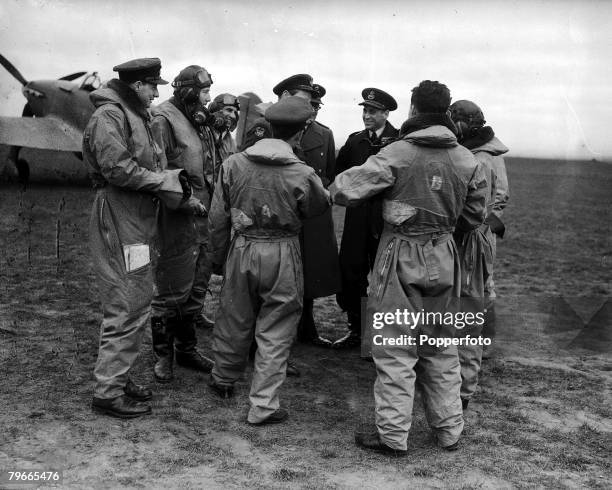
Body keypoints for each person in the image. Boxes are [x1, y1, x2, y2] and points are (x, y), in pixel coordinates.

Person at [331, 80, 488, 454]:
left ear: (414, 110)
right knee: (440, 347)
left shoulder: (398, 153)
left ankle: (393, 436)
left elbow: (342, 190)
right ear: (447, 113)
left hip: (399, 255)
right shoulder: (468, 159)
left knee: (396, 347)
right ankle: (450, 430)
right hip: (445, 256)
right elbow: (474, 215)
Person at [206, 96, 331, 425]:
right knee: (277, 327)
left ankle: (223, 377)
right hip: (282, 251)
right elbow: (317, 207)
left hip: (243, 247)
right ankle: (263, 405)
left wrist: (218, 259)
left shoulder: (233, 163)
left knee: (234, 315)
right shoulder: (301, 172)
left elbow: (218, 218)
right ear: (300, 134)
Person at [83, 58, 190, 418]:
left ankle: (118, 376)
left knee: (139, 294)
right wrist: (163, 181)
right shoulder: (109, 117)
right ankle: (108, 392)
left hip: (138, 219)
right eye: (152, 86)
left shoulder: (136, 116)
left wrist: (167, 180)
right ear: (135, 86)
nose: (156, 93)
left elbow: (148, 164)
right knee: (126, 299)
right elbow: (117, 169)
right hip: (120, 214)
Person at [149, 65, 220, 383]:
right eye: (204, 92)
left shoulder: (197, 116)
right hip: (177, 217)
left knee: (196, 287)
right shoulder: (163, 118)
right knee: (170, 289)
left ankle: (187, 349)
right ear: (190, 91)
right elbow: (157, 169)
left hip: (204, 217)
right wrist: (183, 200)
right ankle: (163, 357)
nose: (208, 98)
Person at [449, 99, 509, 407]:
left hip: (475, 236)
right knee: (482, 293)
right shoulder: (486, 153)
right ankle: (480, 352)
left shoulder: (481, 158)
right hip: (483, 234)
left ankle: (464, 383)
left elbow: (483, 204)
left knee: (471, 301)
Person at [333, 88, 399, 350]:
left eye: (372, 111)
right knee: (351, 272)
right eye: (364, 110)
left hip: (386, 220)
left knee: (386, 276)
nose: (366, 115)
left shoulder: (399, 142)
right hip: (357, 219)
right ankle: (357, 330)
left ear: (385, 113)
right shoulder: (355, 141)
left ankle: (381, 337)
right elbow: (340, 175)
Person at [290, 81, 340, 346]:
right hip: (288, 209)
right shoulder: (283, 129)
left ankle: (307, 326)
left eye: (317, 106)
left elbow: (328, 172)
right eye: (311, 105)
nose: (314, 111)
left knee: (311, 269)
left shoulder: (325, 134)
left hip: (313, 212)